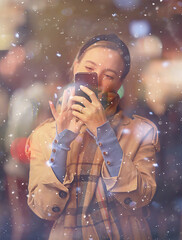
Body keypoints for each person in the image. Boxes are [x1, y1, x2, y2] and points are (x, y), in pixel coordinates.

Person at [26, 34, 160, 239]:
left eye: (109, 75)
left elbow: (140, 197)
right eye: (89, 70)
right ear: (75, 67)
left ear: (119, 83)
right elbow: (44, 208)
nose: (96, 80)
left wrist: (103, 132)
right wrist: (62, 142)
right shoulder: (43, 135)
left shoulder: (141, 131)